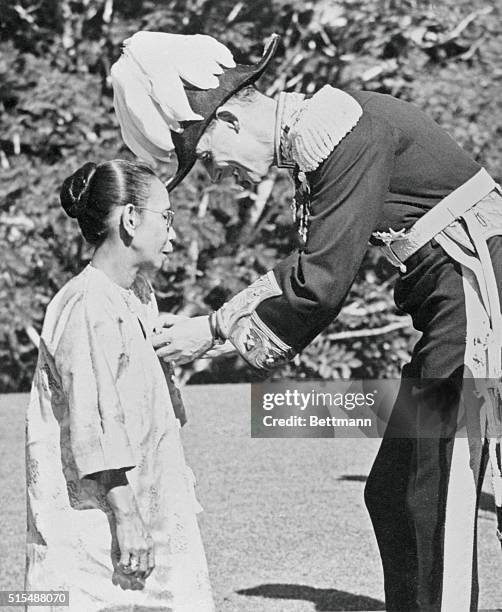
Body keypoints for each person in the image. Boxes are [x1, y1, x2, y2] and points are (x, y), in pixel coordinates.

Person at [111, 31, 502, 611]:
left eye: (211, 159)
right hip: (451, 303)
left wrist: (213, 332)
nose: (221, 179)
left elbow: (321, 283)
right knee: (395, 493)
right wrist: (215, 327)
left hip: (477, 297)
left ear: (231, 122)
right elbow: (312, 266)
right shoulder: (325, 137)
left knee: (435, 488)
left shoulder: (347, 132)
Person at [25, 159, 215, 611]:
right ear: (131, 219)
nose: (175, 234)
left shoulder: (138, 294)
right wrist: (127, 516)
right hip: (100, 519)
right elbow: (91, 425)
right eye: (166, 218)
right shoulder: (86, 302)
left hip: (150, 502)